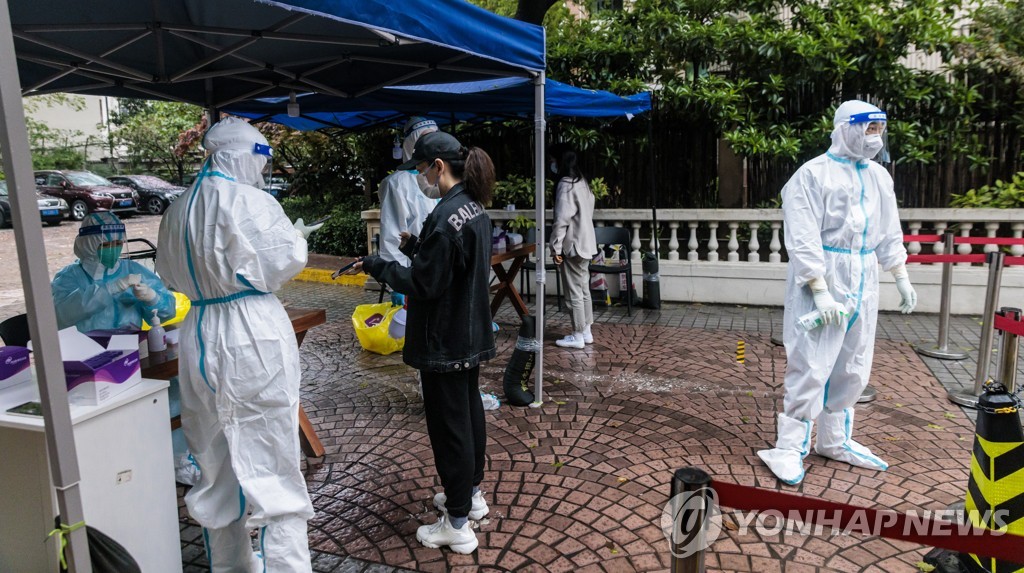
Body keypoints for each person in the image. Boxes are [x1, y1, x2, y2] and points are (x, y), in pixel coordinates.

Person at [156, 117, 322, 572]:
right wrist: (297, 240)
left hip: (198, 331)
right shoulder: (252, 201)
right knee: (272, 459)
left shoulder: (176, 209)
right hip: (251, 333)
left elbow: (167, 275)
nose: (261, 168)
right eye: (259, 157)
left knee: (213, 462)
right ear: (240, 154)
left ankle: (231, 566)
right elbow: (282, 261)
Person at [758, 100, 918, 485]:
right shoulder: (812, 175)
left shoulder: (879, 177)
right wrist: (819, 286)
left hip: (864, 275)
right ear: (847, 127)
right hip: (827, 273)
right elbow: (803, 235)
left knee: (854, 360)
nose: (874, 138)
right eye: (869, 129)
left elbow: (889, 227)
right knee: (812, 361)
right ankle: (789, 446)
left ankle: (834, 438)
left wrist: (899, 273)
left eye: (879, 129)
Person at [353, 131, 496, 554]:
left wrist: (379, 265)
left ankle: (456, 524)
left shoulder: (445, 214)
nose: (418, 176)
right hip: (468, 334)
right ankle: (469, 497)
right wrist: (417, 245)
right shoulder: (472, 208)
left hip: (445, 340)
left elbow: (424, 282)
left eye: (420, 168)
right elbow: (450, 266)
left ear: (438, 166)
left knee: (449, 427)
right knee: (468, 416)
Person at [52, 211, 176, 333]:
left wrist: (152, 298)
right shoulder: (69, 277)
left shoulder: (132, 270)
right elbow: (60, 317)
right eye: (106, 245)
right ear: (88, 245)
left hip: (132, 345)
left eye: (118, 243)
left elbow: (167, 313)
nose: (113, 249)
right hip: (89, 349)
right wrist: (110, 289)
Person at [548, 143, 598, 349]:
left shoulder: (566, 184)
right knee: (583, 289)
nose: (550, 164)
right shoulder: (582, 182)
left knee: (574, 292)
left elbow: (561, 220)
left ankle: (577, 334)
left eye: (552, 160)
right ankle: (586, 331)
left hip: (573, 246)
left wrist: (555, 248)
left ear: (560, 161)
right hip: (586, 243)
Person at [377, 116, 440, 266]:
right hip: (416, 267)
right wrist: (398, 280)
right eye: (425, 137)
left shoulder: (442, 175)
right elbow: (392, 235)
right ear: (412, 142)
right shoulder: (397, 183)